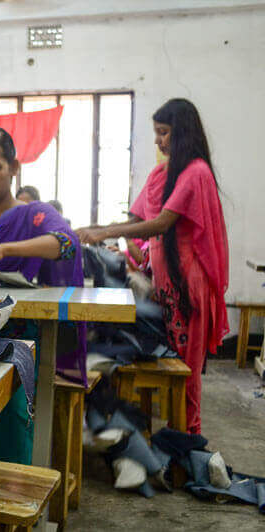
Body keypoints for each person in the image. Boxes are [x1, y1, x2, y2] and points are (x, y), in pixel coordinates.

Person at [77, 98, 228, 435]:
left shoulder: (196, 172)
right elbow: (140, 218)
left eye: (164, 133)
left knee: (185, 369)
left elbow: (161, 224)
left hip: (187, 283)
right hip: (169, 281)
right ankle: (166, 434)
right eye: (157, 134)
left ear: (182, 132)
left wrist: (103, 232)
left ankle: (189, 439)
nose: (159, 141)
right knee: (167, 358)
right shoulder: (167, 173)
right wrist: (97, 230)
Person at [0, 126, 84, 465]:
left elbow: (66, 243)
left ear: (14, 168)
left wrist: (5, 248)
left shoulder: (35, 215)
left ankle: (13, 496)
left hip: (21, 336)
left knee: (11, 405)